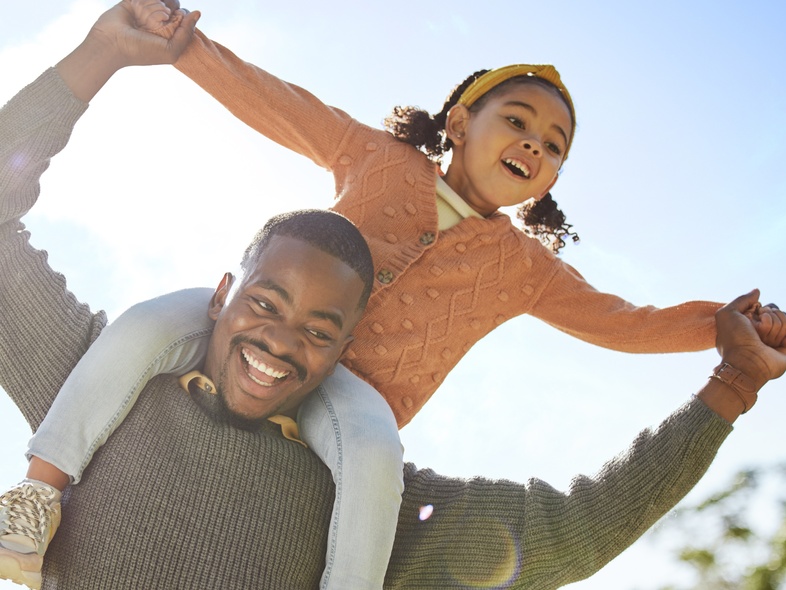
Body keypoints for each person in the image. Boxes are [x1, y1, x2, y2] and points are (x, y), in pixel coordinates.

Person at [0, 4, 785, 589]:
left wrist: (730, 340)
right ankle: (36, 499)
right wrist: (171, 47)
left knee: (377, 454)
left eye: (552, 148)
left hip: (351, 400)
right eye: (518, 121)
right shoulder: (376, 158)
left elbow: (623, 323)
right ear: (460, 119)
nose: (533, 147)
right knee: (137, 328)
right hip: (210, 333)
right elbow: (279, 103)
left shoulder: (523, 269)